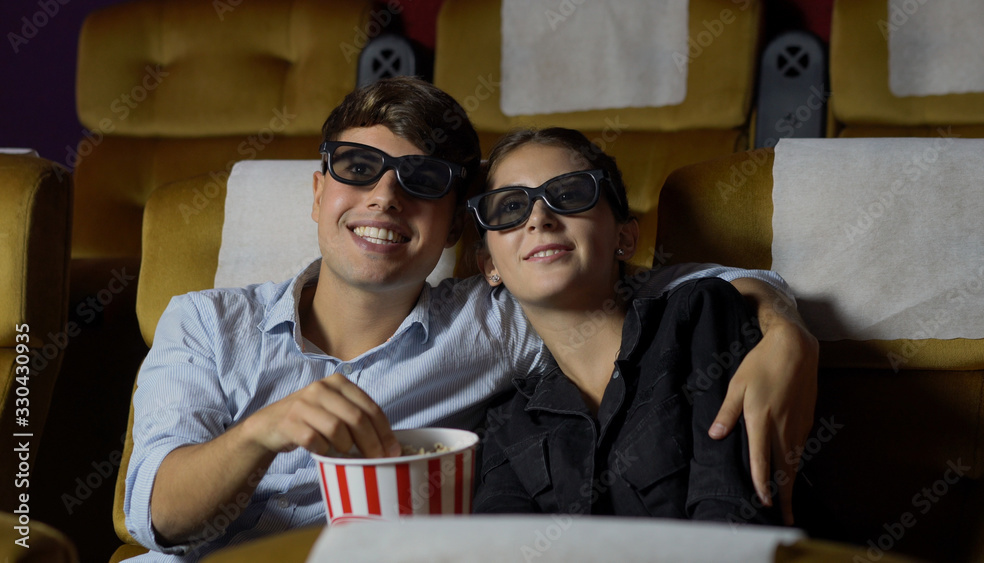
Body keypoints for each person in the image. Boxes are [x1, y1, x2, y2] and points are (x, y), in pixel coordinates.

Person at [124, 77, 816, 560]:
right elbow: (155, 516)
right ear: (317, 191)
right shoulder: (205, 322)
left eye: (421, 181)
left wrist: (784, 328)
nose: (385, 197)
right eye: (359, 168)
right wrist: (262, 432)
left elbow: (642, 288)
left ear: (458, 230)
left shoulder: (495, 318)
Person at [469, 127, 794, 524]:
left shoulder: (699, 316)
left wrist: (786, 327)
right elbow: (499, 549)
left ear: (624, 237)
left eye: (570, 194)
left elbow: (733, 522)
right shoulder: (506, 422)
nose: (539, 218)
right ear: (490, 268)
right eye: (509, 208)